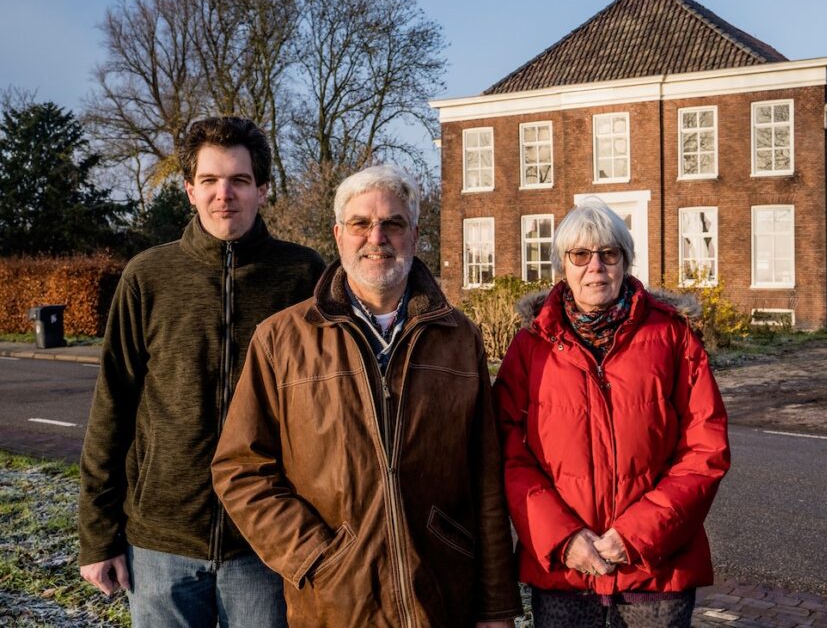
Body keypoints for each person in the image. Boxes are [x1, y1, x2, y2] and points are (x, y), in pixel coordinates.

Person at [211, 164, 522, 627]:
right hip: (334, 604)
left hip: (442, 597)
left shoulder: (458, 337)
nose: (376, 237)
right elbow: (239, 469)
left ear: (414, 235)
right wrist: (316, 555)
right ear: (339, 235)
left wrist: (496, 604)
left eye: (392, 224)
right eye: (361, 223)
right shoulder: (282, 339)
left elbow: (486, 478)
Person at [78, 117, 326, 627]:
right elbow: (112, 407)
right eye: (210, 181)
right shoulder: (147, 276)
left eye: (238, 180)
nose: (224, 195)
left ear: (262, 188)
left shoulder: (303, 276)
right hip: (160, 542)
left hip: (265, 541)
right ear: (190, 190)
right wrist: (98, 534)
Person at [494, 199, 731, 627]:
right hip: (566, 568)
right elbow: (509, 451)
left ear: (625, 261)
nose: (595, 266)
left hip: (655, 568)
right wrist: (562, 539)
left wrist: (638, 535)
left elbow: (705, 449)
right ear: (562, 265)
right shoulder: (530, 347)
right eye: (580, 255)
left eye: (609, 254)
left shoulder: (672, 337)